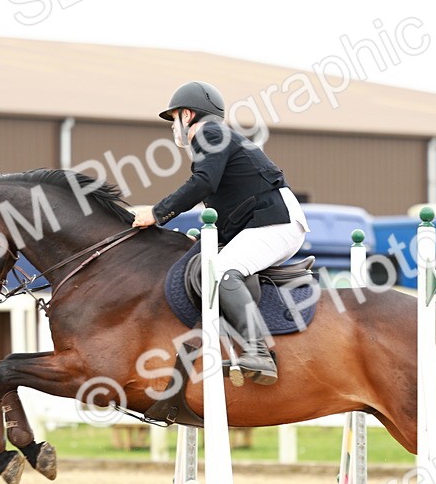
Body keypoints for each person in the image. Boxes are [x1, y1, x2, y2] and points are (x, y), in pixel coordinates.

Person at [132, 81, 308, 386]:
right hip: (266, 222)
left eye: (173, 118)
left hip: (276, 224)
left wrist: (157, 213)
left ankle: (258, 353)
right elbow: (229, 202)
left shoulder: (209, 133)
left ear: (187, 115)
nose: (173, 127)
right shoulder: (220, 137)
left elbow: (203, 183)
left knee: (223, 271)